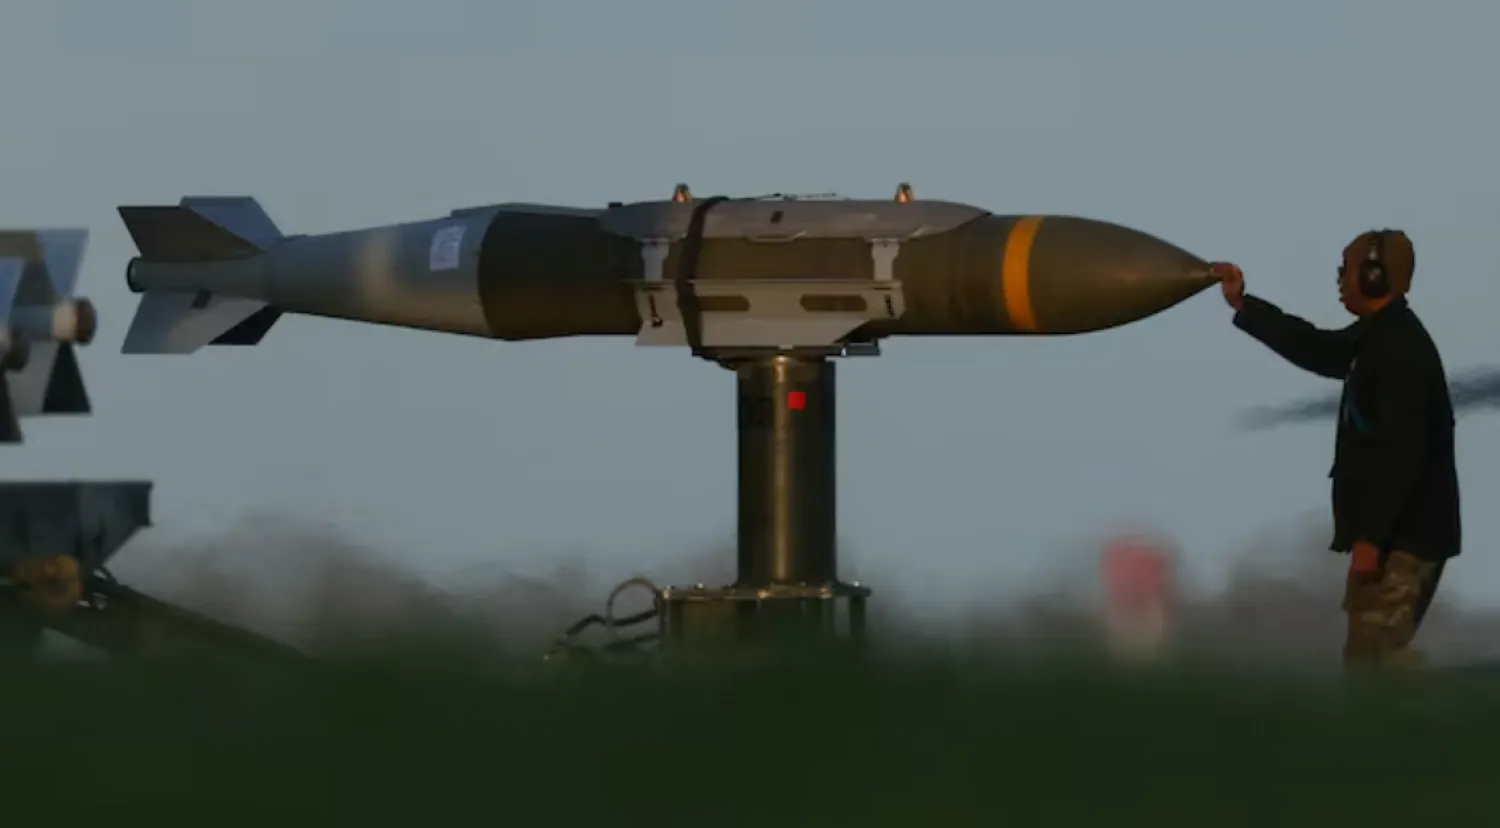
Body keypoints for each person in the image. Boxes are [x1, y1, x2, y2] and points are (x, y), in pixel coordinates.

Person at [1211, 230, 1460, 668]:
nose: (1340, 280)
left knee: (1375, 663)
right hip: (1398, 537)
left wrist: (1370, 540)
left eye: (1346, 270)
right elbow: (1316, 347)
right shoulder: (1379, 338)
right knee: (1369, 662)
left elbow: (1398, 457)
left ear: (1375, 275)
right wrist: (1245, 306)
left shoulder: (1399, 350)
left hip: (1405, 541)